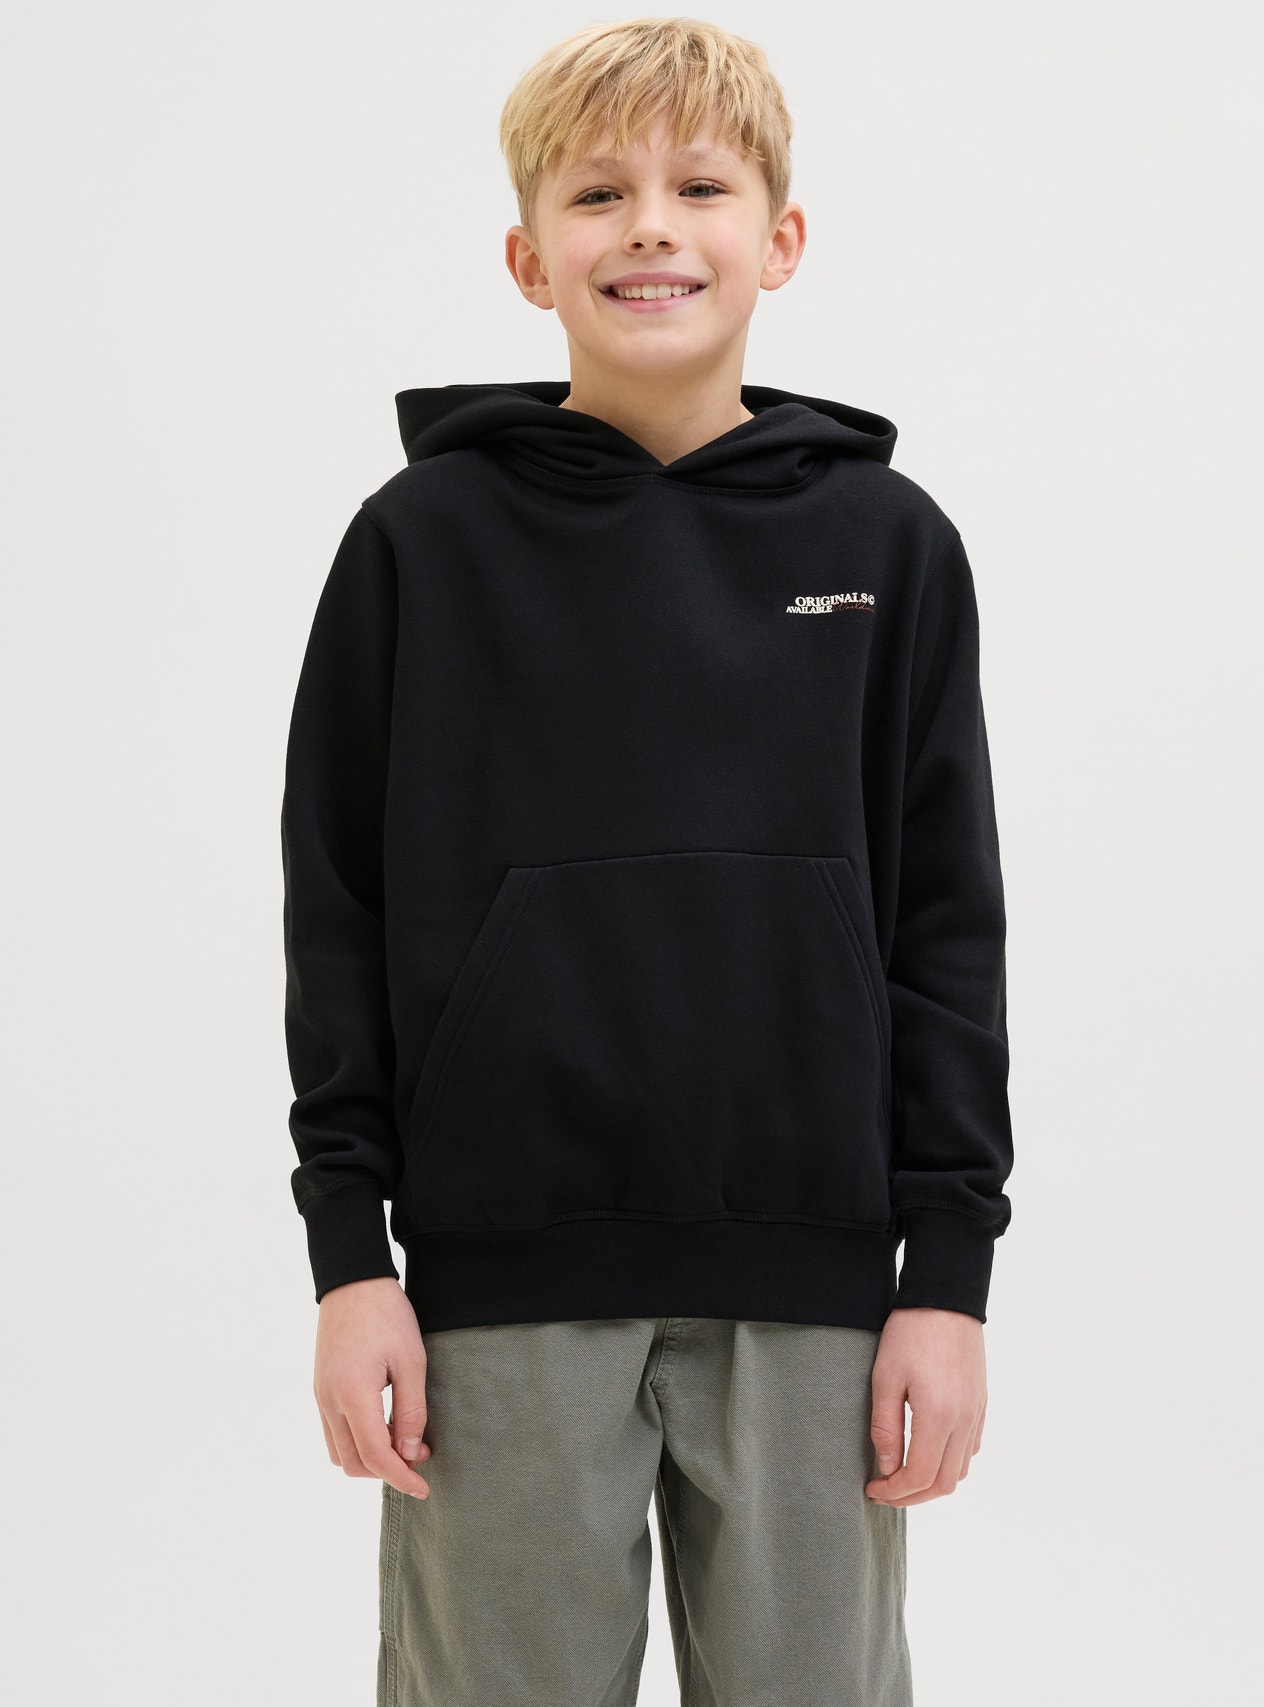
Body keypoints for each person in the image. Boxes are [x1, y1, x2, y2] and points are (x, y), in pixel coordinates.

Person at [280, 17, 1014, 1706]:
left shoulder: (888, 545)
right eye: (599, 194)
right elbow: (338, 913)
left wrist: (950, 1278)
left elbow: (946, 928)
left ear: (782, 238)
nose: (652, 229)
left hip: (818, 1291)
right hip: (498, 1288)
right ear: (529, 256)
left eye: (702, 186)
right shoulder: (420, 546)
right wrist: (349, 1260)